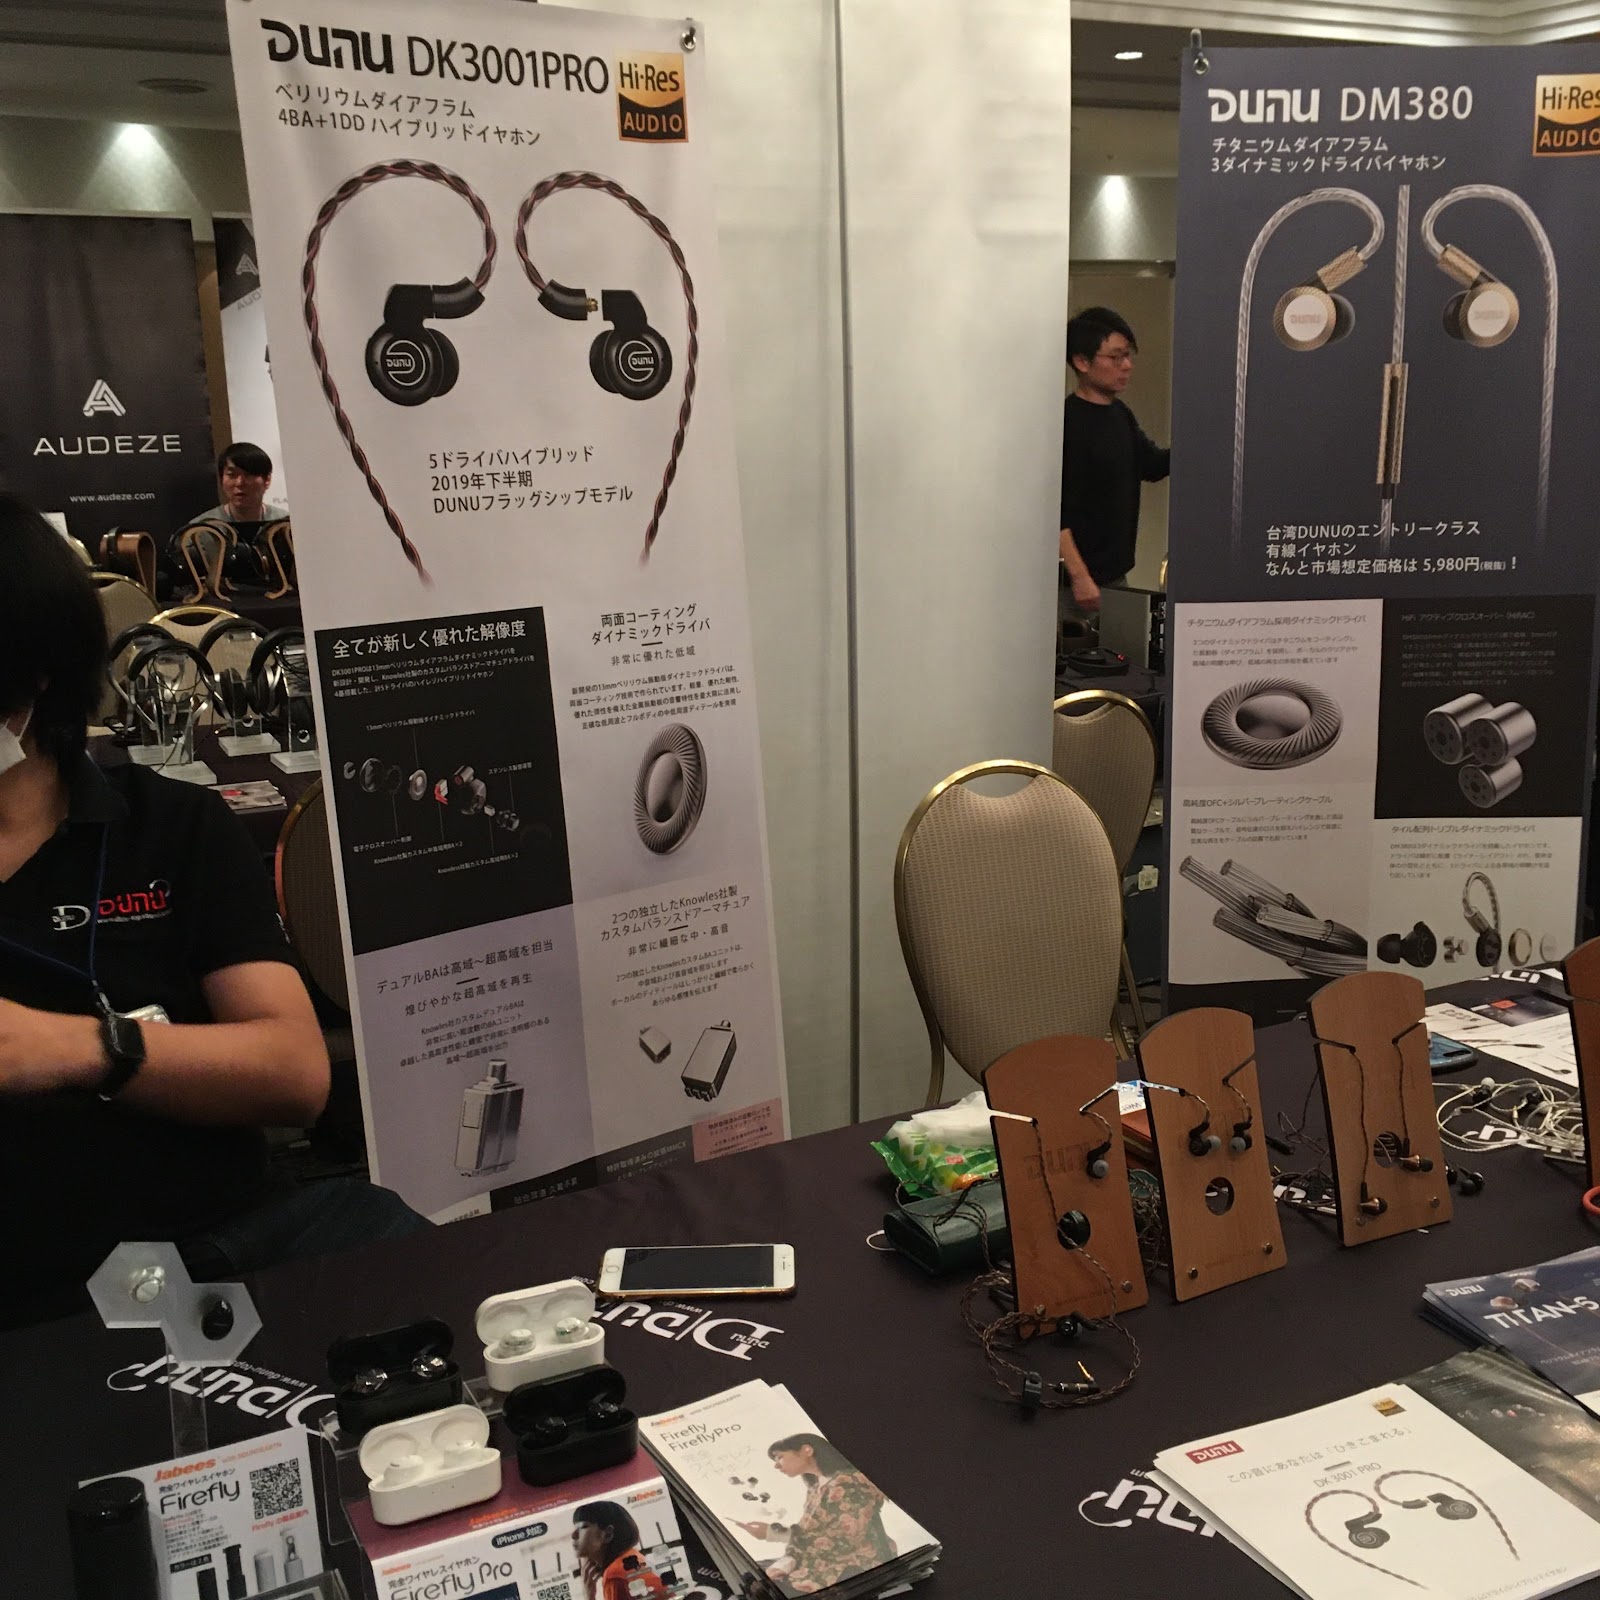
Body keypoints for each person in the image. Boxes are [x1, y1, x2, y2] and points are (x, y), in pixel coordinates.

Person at [0, 494, 426, 1328]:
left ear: (37, 670)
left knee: (440, 1292)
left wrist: (79, 1049)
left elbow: (292, 1073)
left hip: (218, 1240)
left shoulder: (169, 828)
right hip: (31, 1292)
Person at [1059, 306, 1170, 615]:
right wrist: (1080, 577)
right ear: (1082, 362)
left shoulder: (1120, 414)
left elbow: (1152, 465)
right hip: (1076, 585)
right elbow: (1056, 512)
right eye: (1116, 357)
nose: (1127, 366)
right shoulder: (1067, 423)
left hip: (1115, 576)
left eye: (1128, 356)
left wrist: (1198, 445)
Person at [735, 1433, 897, 1596]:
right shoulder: (816, 1487)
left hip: (855, 1564)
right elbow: (806, 1530)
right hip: (823, 1559)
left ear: (807, 1450)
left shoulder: (850, 1481)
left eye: (779, 1457)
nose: (776, 1466)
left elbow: (846, 1540)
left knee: (761, 1585)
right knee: (749, 1575)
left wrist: (775, 1534)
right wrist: (787, 1560)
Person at [175, 442, 289, 591]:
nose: (240, 483)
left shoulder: (285, 524)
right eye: (232, 475)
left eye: (249, 474)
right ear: (221, 479)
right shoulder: (201, 529)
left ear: (267, 480)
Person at [571, 1501, 667, 1600]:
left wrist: (588, 1596)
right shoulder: (633, 1557)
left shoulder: (615, 1577)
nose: (573, 1535)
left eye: (583, 1526)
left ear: (608, 1534)